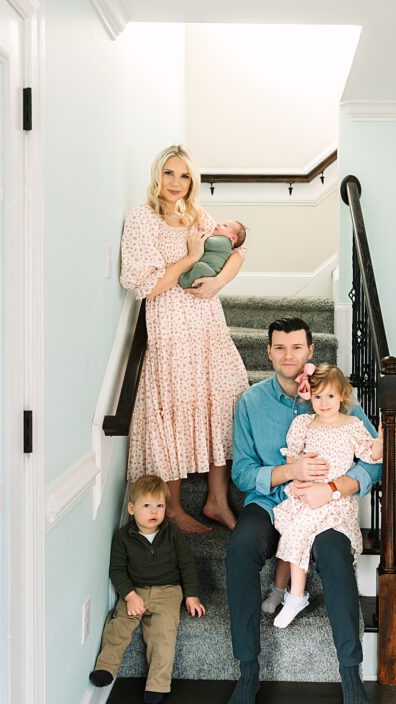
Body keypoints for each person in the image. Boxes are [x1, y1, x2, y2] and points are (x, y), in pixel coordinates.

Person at [227, 317, 382, 704]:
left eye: (297, 347)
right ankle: (247, 671)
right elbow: (242, 473)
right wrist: (290, 470)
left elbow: (373, 462)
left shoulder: (336, 395)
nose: (289, 355)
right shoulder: (250, 403)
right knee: (241, 549)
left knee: (333, 552)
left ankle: (351, 675)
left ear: (311, 351)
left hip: (325, 504)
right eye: (280, 348)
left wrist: (332, 488)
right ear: (269, 352)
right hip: (270, 502)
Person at [120, 144, 249, 533]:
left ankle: (216, 500)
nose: (176, 183)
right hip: (171, 329)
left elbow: (238, 253)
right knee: (175, 414)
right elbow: (146, 285)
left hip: (207, 324)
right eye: (170, 173)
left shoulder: (198, 215)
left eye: (185, 176)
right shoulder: (142, 219)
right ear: (157, 174)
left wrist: (218, 284)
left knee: (225, 402)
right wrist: (190, 259)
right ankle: (174, 508)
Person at [270, 364, 383, 629]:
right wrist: (297, 478)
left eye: (330, 396)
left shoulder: (352, 425)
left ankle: (295, 595)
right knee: (293, 528)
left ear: (342, 395)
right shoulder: (304, 423)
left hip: (334, 498)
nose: (324, 402)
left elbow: (370, 455)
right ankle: (281, 590)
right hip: (305, 491)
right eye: (318, 396)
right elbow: (292, 455)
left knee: (298, 531)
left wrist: (382, 441)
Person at [88, 475, 206, 704]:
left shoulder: (172, 533)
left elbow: (187, 564)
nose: (154, 511)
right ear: (132, 508)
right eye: (147, 506)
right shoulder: (123, 537)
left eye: (160, 506)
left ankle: (157, 684)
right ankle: (106, 667)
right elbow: (118, 570)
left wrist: (192, 594)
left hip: (168, 591)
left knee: (163, 634)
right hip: (136, 591)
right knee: (118, 625)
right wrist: (130, 596)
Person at [177, 219, 247, 289]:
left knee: (200, 266)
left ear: (233, 238)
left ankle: (186, 282)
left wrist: (198, 232)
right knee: (198, 266)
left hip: (211, 272)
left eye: (225, 226)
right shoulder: (220, 240)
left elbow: (206, 242)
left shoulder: (225, 242)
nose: (219, 224)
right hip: (209, 270)